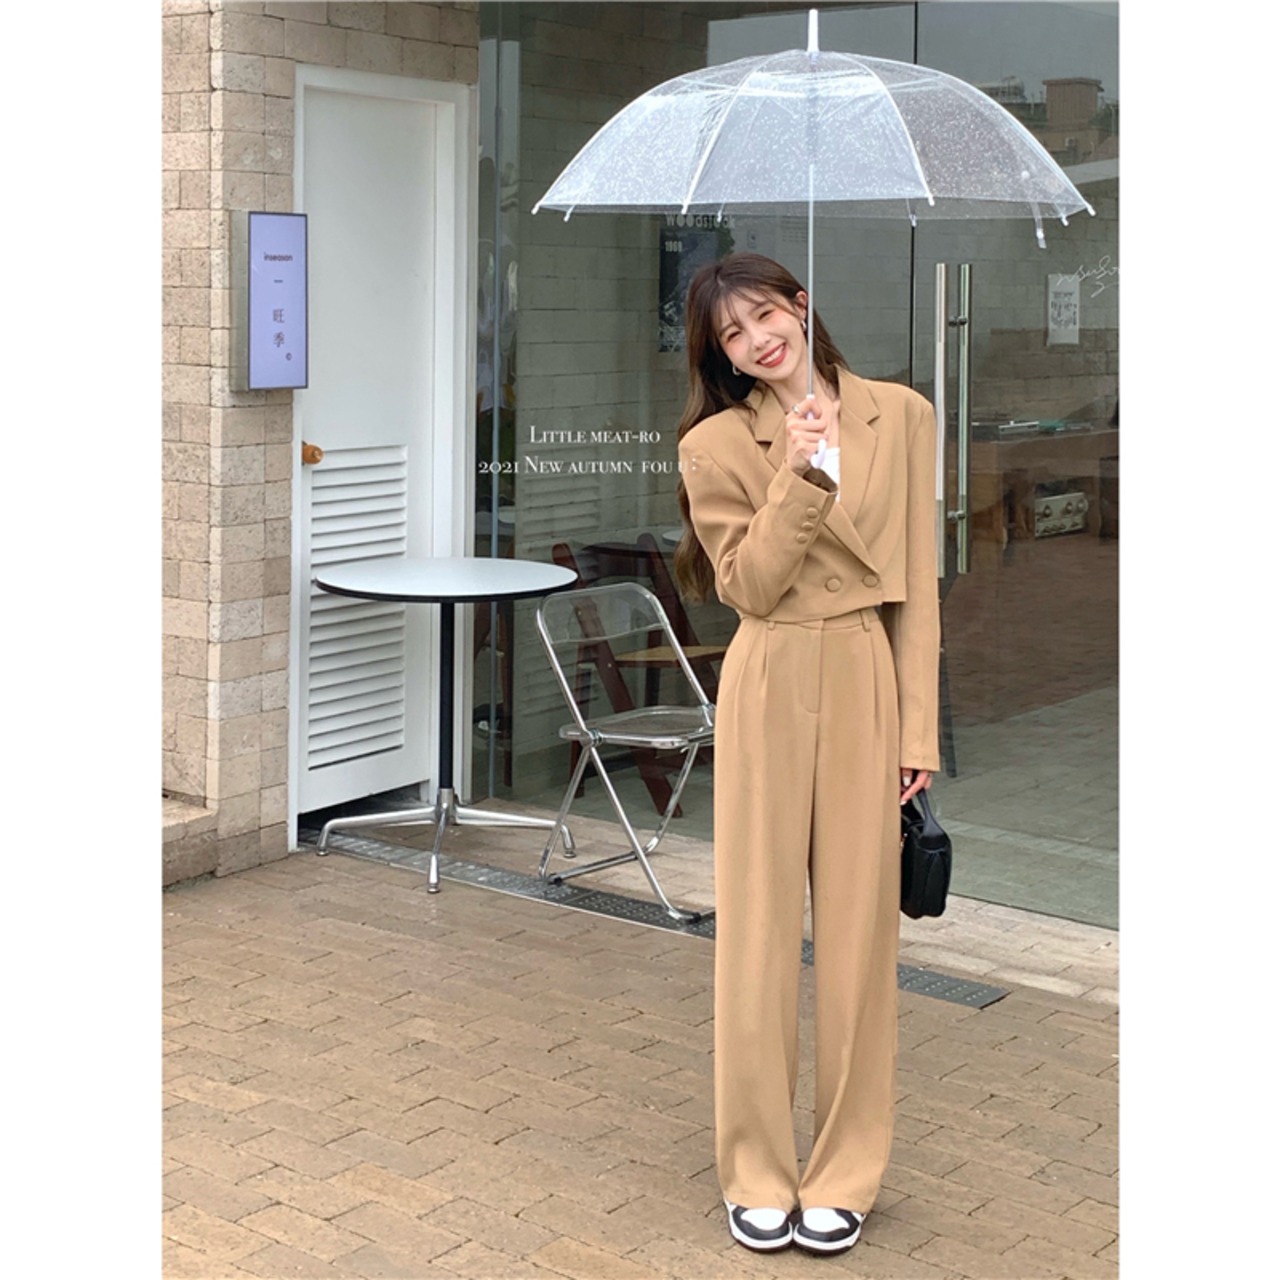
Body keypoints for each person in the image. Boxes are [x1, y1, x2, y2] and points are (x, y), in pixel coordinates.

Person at [674, 252, 940, 1255]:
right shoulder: (713, 444)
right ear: (723, 358)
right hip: (770, 673)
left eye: (763, 315)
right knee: (756, 930)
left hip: (865, 670)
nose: (756, 341)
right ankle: (754, 1167)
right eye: (731, 336)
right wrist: (799, 470)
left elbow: (916, 582)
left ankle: (844, 1170)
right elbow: (746, 586)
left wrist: (916, 730)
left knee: (862, 940)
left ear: (799, 304)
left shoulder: (901, 415)